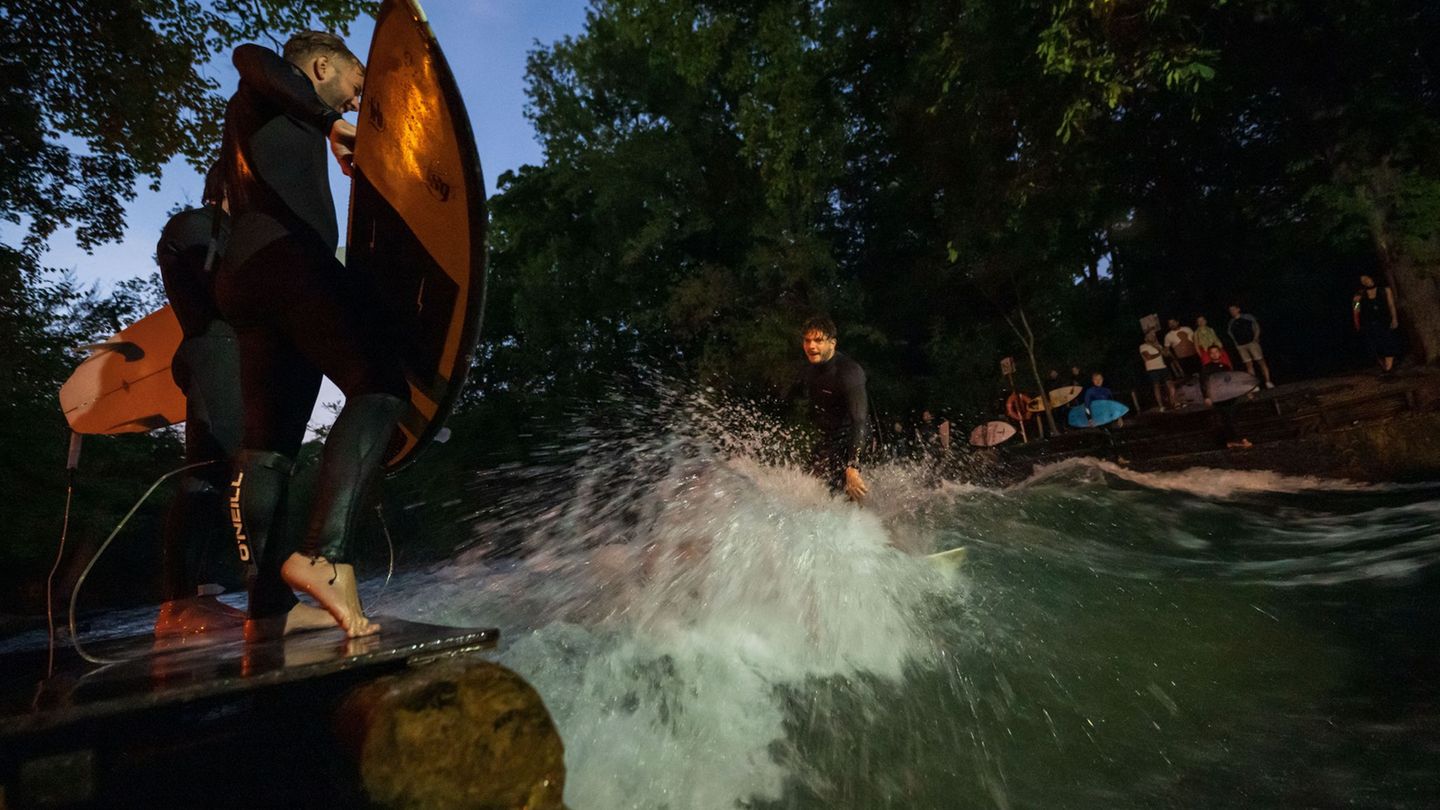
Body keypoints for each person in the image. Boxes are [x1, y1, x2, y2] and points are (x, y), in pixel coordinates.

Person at [214, 32, 409, 638]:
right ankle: (324, 555)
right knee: (380, 384)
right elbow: (250, 56)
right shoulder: (267, 84)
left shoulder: (259, 121)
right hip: (288, 261)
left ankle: (267, 609)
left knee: (268, 449)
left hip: (248, 278)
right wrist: (329, 121)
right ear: (321, 66)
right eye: (356, 86)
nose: (356, 102)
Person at [152, 169, 251, 636]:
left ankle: (196, 598)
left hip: (224, 353)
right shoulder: (195, 224)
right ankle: (180, 603)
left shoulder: (227, 232)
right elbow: (229, 289)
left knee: (215, 475)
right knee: (227, 467)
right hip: (214, 352)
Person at [789, 315, 869, 502]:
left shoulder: (849, 372)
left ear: (832, 343)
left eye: (818, 341)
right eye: (807, 340)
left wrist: (853, 466)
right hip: (829, 442)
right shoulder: (809, 369)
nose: (811, 346)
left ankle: (862, 516)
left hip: (854, 440)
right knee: (807, 488)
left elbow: (859, 421)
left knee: (845, 495)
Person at [1353, 274, 1401, 373]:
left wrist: (1394, 318)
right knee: (1374, 347)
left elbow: (1391, 305)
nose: (1366, 281)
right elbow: (1356, 310)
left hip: (1384, 321)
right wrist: (1357, 323)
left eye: (1367, 278)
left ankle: (1389, 368)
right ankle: (1384, 367)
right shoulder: (1359, 295)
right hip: (1369, 324)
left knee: (1388, 343)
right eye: (1363, 280)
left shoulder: (1385, 290)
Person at [1226, 304, 1274, 388]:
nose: (1232, 311)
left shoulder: (1247, 317)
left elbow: (1256, 327)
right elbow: (1230, 334)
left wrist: (1256, 338)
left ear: (1238, 309)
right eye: (1230, 310)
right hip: (1241, 346)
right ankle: (1254, 385)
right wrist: (1236, 344)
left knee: (1260, 361)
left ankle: (1268, 381)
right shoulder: (1231, 322)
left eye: (1233, 309)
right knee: (1248, 365)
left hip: (1252, 343)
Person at [1139, 331, 1175, 411]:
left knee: (1170, 384)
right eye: (1150, 336)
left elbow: (1166, 354)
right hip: (1152, 369)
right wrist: (1159, 352)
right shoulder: (1143, 346)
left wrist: (1164, 350)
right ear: (1145, 338)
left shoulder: (1158, 345)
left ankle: (1173, 402)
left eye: (1153, 335)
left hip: (1163, 367)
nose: (1152, 337)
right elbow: (1148, 357)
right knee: (1156, 387)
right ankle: (1161, 406)